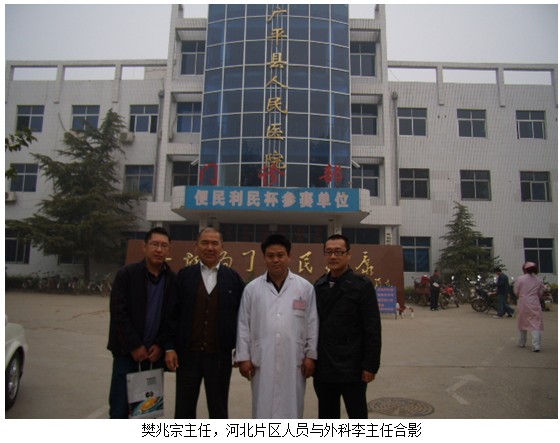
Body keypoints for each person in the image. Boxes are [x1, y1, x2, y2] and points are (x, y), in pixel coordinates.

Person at [165, 227, 245, 418]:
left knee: (219, 410)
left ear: (222, 247)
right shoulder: (184, 276)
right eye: (205, 243)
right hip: (187, 356)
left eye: (214, 243)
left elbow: (243, 318)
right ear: (196, 246)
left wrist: (241, 350)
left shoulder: (233, 279)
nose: (210, 247)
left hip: (219, 357)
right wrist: (169, 347)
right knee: (184, 410)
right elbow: (171, 314)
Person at [236, 234, 318, 419]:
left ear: (289, 256)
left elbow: (312, 323)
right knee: (263, 407)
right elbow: (243, 325)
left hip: (294, 358)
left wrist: (311, 355)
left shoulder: (304, 288)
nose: (275, 260)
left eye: (280, 255)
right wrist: (243, 357)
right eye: (270, 256)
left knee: (292, 407)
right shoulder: (252, 289)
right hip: (261, 359)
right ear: (264, 258)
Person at [107, 227, 177, 419]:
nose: (159, 250)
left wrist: (161, 344)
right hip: (127, 354)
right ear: (144, 246)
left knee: (147, 413)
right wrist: (134, 345)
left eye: (164, 246)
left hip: (153, 356)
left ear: (169, 250)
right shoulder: (127, 275)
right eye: (154, 244)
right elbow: (119, 313)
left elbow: (172, 317)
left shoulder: (172, 279)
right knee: (120, 409)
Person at [313, 234, 382, 419]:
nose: (333, 256)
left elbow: (372, 328)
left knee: (357, 416)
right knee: (327, 417)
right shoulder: (319, 285)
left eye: (338, 252)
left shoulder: (362, 285)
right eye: (328, 252)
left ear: (349, 254)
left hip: (353, 368)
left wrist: (370, 366)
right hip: (325, 367)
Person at [514, 262, 545, 352]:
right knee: (536, 323)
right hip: (534, 302)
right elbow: (540, 293)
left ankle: (521, 342)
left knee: (522, 322)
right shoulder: (538, 280)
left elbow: (516, 291)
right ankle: (536, 345)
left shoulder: (520, 279)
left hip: (523, 302)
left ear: (525, 269)